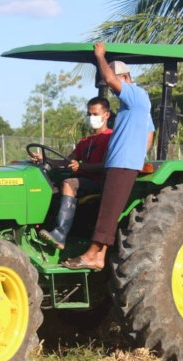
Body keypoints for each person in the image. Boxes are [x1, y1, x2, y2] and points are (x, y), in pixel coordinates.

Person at [63, 42, 155, 270]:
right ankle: (100, 256)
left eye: (112, 83)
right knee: (110, 208)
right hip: (122, 161)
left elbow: (113, 81)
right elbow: (150, 131)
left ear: (124, 77)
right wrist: (139, 152)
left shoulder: (136, 95)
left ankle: (90, 254)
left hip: (123, 162)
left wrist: (99, 56)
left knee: (109, 210)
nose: (112, 89)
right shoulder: (133, 106)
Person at [31, 96, 112, 250]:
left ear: (106, 115)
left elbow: (106, 165)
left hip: (99, 183)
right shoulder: (85, 141)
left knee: (69, 183)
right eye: (89, 114)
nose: (91, 118)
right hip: (82, 180)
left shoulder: (110, 138)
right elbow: (67, 161)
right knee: (48, 187)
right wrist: (44, 159)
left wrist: (80, 167)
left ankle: (60, 234)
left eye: (95, 114)